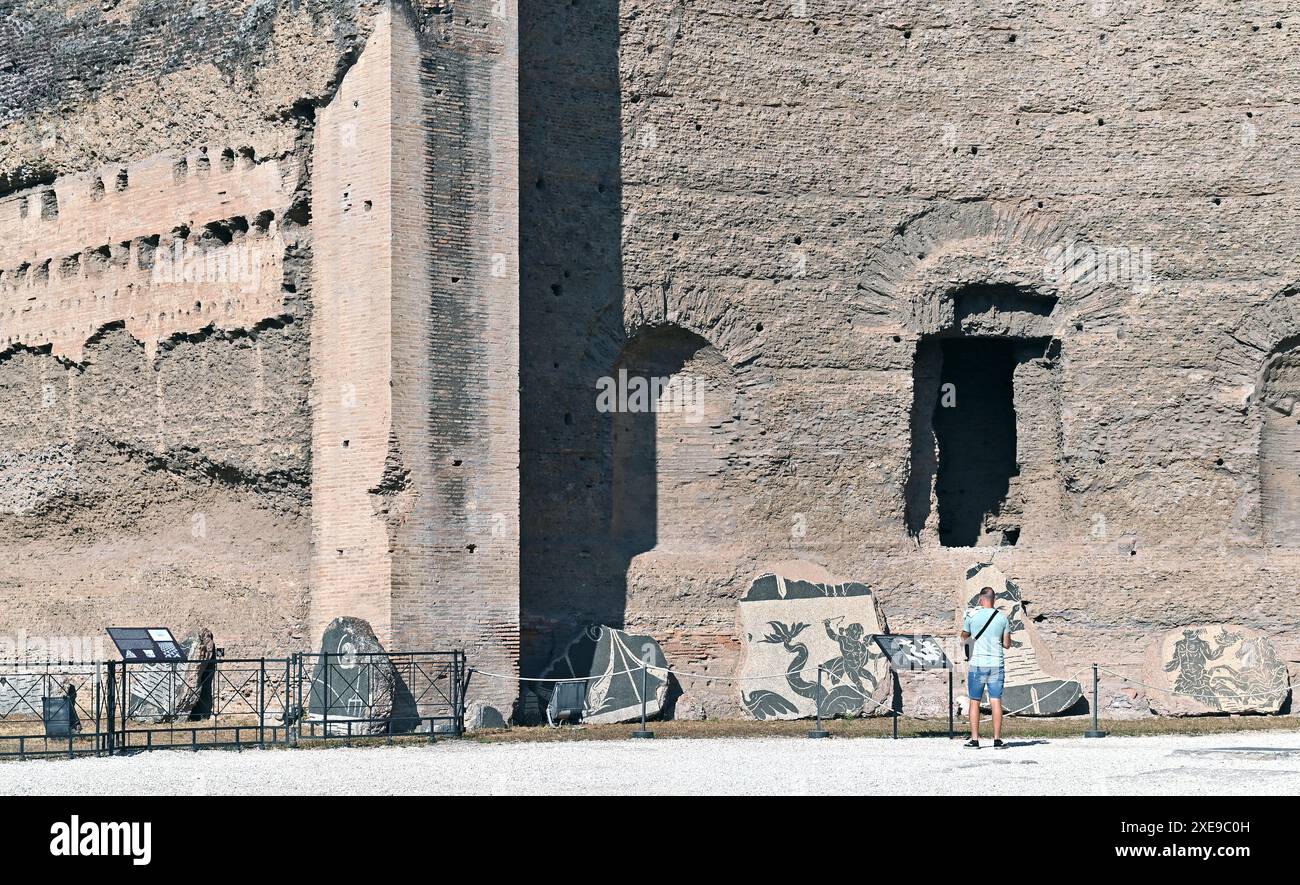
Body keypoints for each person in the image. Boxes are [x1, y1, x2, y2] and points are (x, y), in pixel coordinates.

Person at [960, 586, 1012, 749]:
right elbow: (1007, 644)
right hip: (996, 664)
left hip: (977, 664)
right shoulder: (1002, 618)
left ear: (981, 599)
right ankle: (997, 740)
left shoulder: (971, 615)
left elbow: (964, 637)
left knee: (975, 701)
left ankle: (975, 740)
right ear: (994, 599)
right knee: (996, 701)